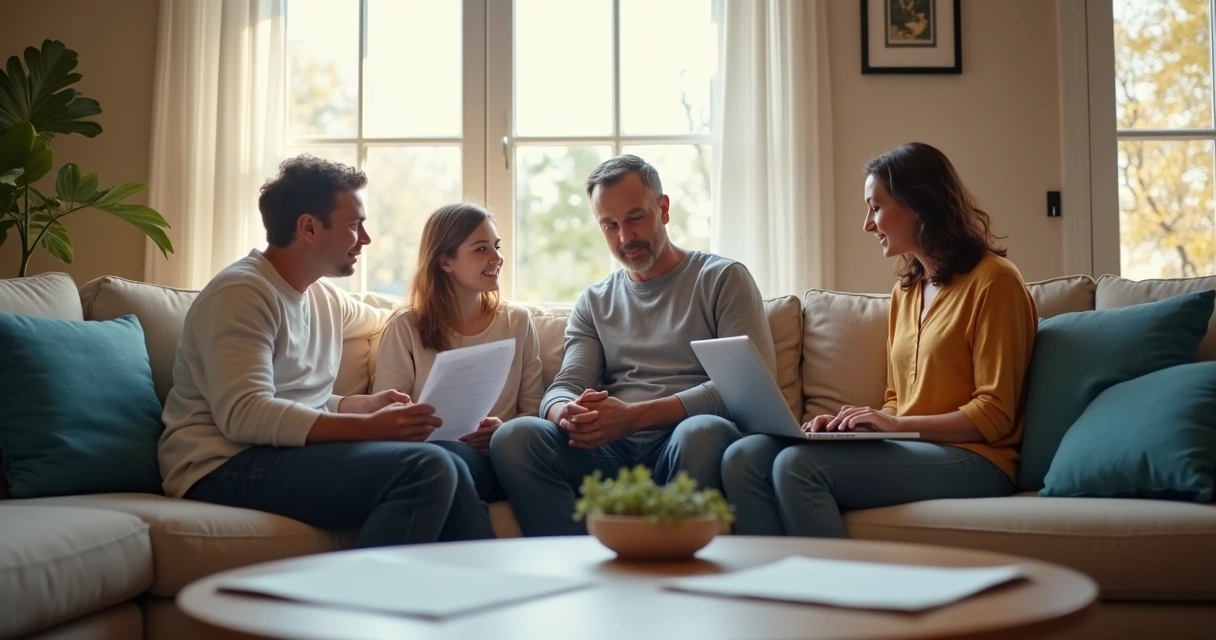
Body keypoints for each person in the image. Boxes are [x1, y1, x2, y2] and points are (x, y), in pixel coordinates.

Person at [159, 155, 495, 547]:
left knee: (452, 460)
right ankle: (359, 604)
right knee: (428, 467)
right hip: (221, 464)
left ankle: (479, 596)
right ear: (309, 227)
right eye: (355, 225)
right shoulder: (241, 294)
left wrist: (357, 406)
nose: (366, 239)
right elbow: (245, 415)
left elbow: (384, 321)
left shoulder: (323, 298)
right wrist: (370, 428)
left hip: (279, 453)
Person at [722, 142, 1037, 537]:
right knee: (743, 458)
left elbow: (995, 414)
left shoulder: (996, 282)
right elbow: (897, 397)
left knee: (797, 467)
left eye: (875, 207)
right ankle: (768, 590)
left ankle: (823, 596)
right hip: (913, 446)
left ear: (919, 204)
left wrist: (896, 424)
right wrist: (855, 426)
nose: (867, 224)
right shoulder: (905, 293)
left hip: (977, 460)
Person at [490, 153, 775, 536]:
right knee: (515, 436)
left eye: (635, 218)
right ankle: (577, 570)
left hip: (687, 441)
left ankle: (666, 567)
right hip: (610, 451)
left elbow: (747, 389)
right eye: (609, 225)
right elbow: (563, 386)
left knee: (703, 431)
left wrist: (634, 417)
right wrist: (566, 412)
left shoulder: (722, 279)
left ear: (663, 208)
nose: (625, 238)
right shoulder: (594, 302)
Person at [372, 203, 544, 505]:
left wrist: (502, 434)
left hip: (497, 463)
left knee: (450, 465)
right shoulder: (406, 327)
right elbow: (386, 419)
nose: (497, 257)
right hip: (428, 459)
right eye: (481, 249)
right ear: (445, 262)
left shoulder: (517, 322)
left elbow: (533, 412)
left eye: (496, 246)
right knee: (444, 462)